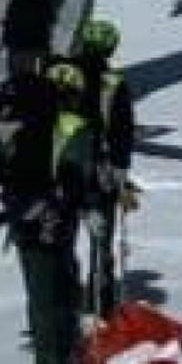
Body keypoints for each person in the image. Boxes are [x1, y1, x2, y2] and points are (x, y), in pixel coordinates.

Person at [0, 59, 97, 364]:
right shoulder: (72, 125)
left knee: (39, 290)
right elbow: (78, 175)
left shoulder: (10, 124)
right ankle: (62, 353)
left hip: (22, 214)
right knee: (63, 277)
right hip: (58, 214)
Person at [60, 16, 138, 319]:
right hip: (97, 173)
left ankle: (64, 295)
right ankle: (100, 300)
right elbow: (122, 133)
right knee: (101, 242)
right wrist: (120, 173)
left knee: (62, 238)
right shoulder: (113, 84)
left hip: (61, 170)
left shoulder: (59, 77)